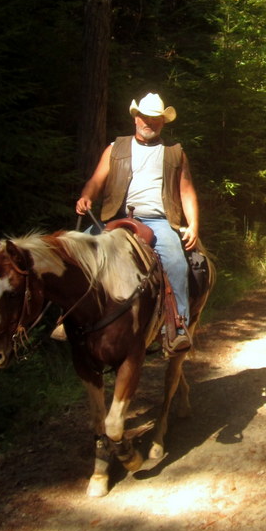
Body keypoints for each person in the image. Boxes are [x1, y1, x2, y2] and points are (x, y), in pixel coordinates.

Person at [75, 92, 199, 352]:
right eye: (145, 117)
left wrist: (193, 225)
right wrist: (86, 197)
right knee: (75, 250)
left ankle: (178, 326)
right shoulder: (115, 148)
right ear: (135, 118)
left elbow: (186, 191)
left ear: (163, 122)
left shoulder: (175, 153)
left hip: (159, 221)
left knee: (176, 263)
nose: (149, 122)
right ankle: (70, 320)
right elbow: (96, 181)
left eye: (155, 118)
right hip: (117, 218)